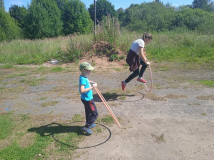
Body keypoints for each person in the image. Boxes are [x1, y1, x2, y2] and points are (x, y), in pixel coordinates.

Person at [79, 62, 98, 135]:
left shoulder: (82, 76)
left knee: (88, 112)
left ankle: (89, 123)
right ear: (83, 70)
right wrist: (92, 87)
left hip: (85, 99)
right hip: (88, 99)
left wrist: (91, 81)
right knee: (94, 114)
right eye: (89, 70)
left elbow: (86, 80)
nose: (90, 71)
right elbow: (82, 90)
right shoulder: (83, 79)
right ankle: (86, 127)